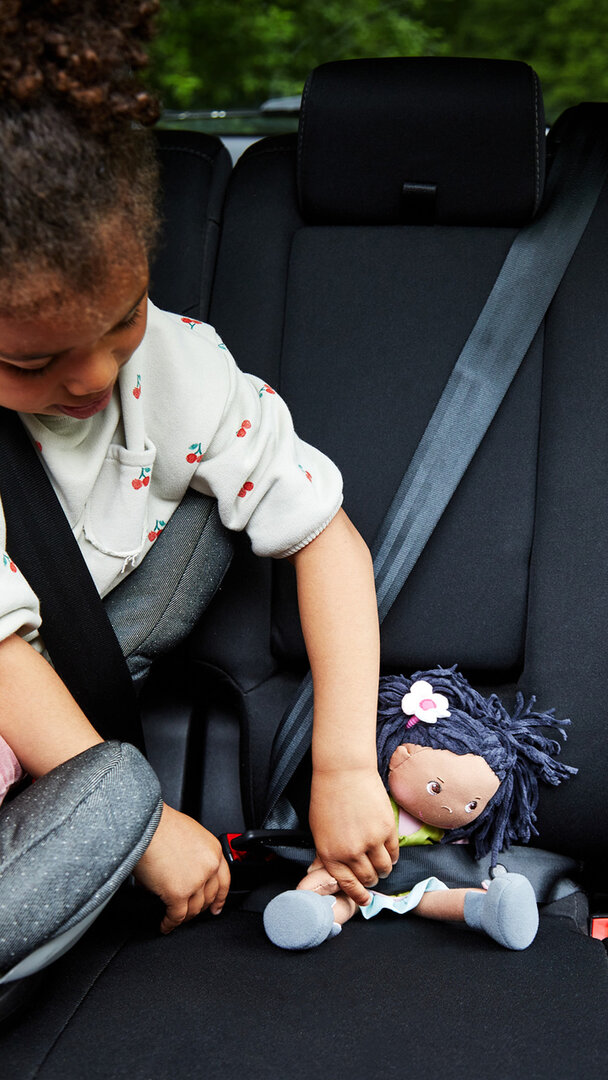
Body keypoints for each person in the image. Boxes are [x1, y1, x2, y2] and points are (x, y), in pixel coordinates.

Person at [0, 0, 396, 973]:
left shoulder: (183, 370)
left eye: (122, 320)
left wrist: (345, 764)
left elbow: (324, 535)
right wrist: (144, 827)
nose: (94, 378)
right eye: (34, 362)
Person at [263, 667, 578, 951]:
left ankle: (489, 910)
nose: (450, 808)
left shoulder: (448, 836)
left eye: (472, 805)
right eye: (435, 788)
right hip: (356, 882)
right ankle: (309, 913)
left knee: (442, 895)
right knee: (339, 893)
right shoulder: (362, 801)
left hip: (424, 884)